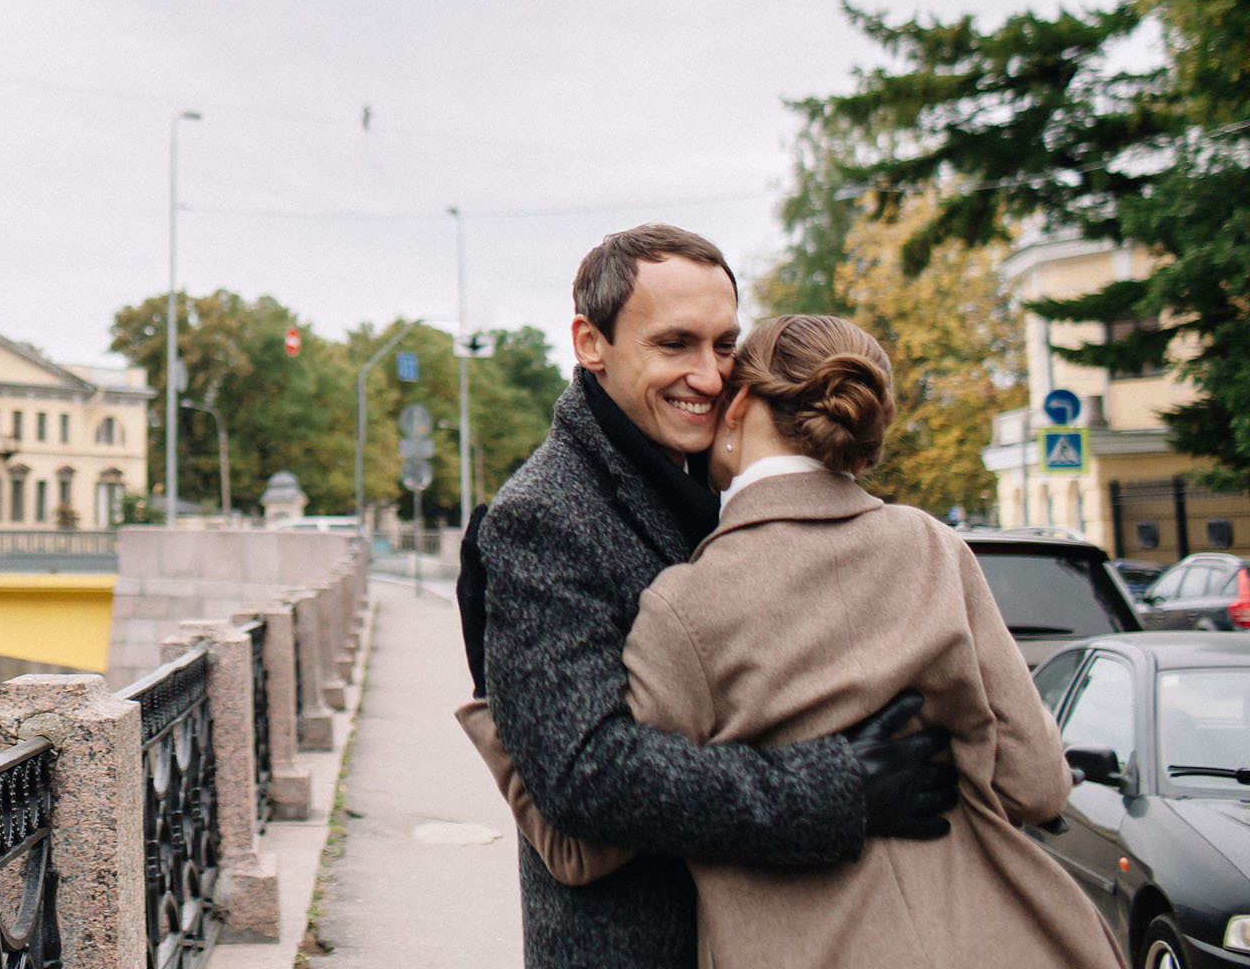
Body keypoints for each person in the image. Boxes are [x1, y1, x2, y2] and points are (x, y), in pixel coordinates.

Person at [470, 314, 1122, 968]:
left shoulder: (687, 605)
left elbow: (584, 840)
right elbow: (1036, 784)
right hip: (977, 940)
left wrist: (492, 692)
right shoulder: (932, 548)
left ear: (742, 406)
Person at [461, 224, 957, 969]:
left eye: (724, 345)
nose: (709, 375)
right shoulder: (544, 516)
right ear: (591, 343)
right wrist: (833, 789)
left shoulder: (720, 476)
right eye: (674, 345)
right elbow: (584, 774)